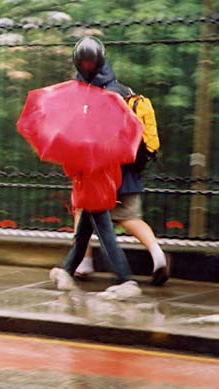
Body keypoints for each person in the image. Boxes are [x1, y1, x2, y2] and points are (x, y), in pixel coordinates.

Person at [50, 37, 142, 300]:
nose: (88, 67)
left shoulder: (94, 99)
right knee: (83, 233)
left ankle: (125, 280)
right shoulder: (112, 94)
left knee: (104, 232)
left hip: (92, 176)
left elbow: (74, 155)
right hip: (101, 173)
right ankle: (67, 271)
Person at [72, 53, 169, 286]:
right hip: (132, 168)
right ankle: (158, 256)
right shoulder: (126, 91)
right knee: (130, 217)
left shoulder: (92, 97)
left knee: (81, 209)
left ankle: (84, 264)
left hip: (105, 170)